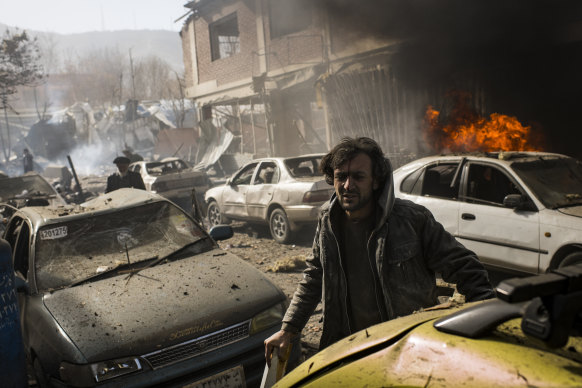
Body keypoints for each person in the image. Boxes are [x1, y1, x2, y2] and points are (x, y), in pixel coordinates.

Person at [264, 137, 495, 365]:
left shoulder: (411, 220)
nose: (347, 185)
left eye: (358, 177)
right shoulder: (328, 220)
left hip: (406, 348)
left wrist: (482, 321)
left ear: (376, 181)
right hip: (348, 349)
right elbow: (315, 275)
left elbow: (467, 268)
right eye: (341, 176)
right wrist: (288, 329)